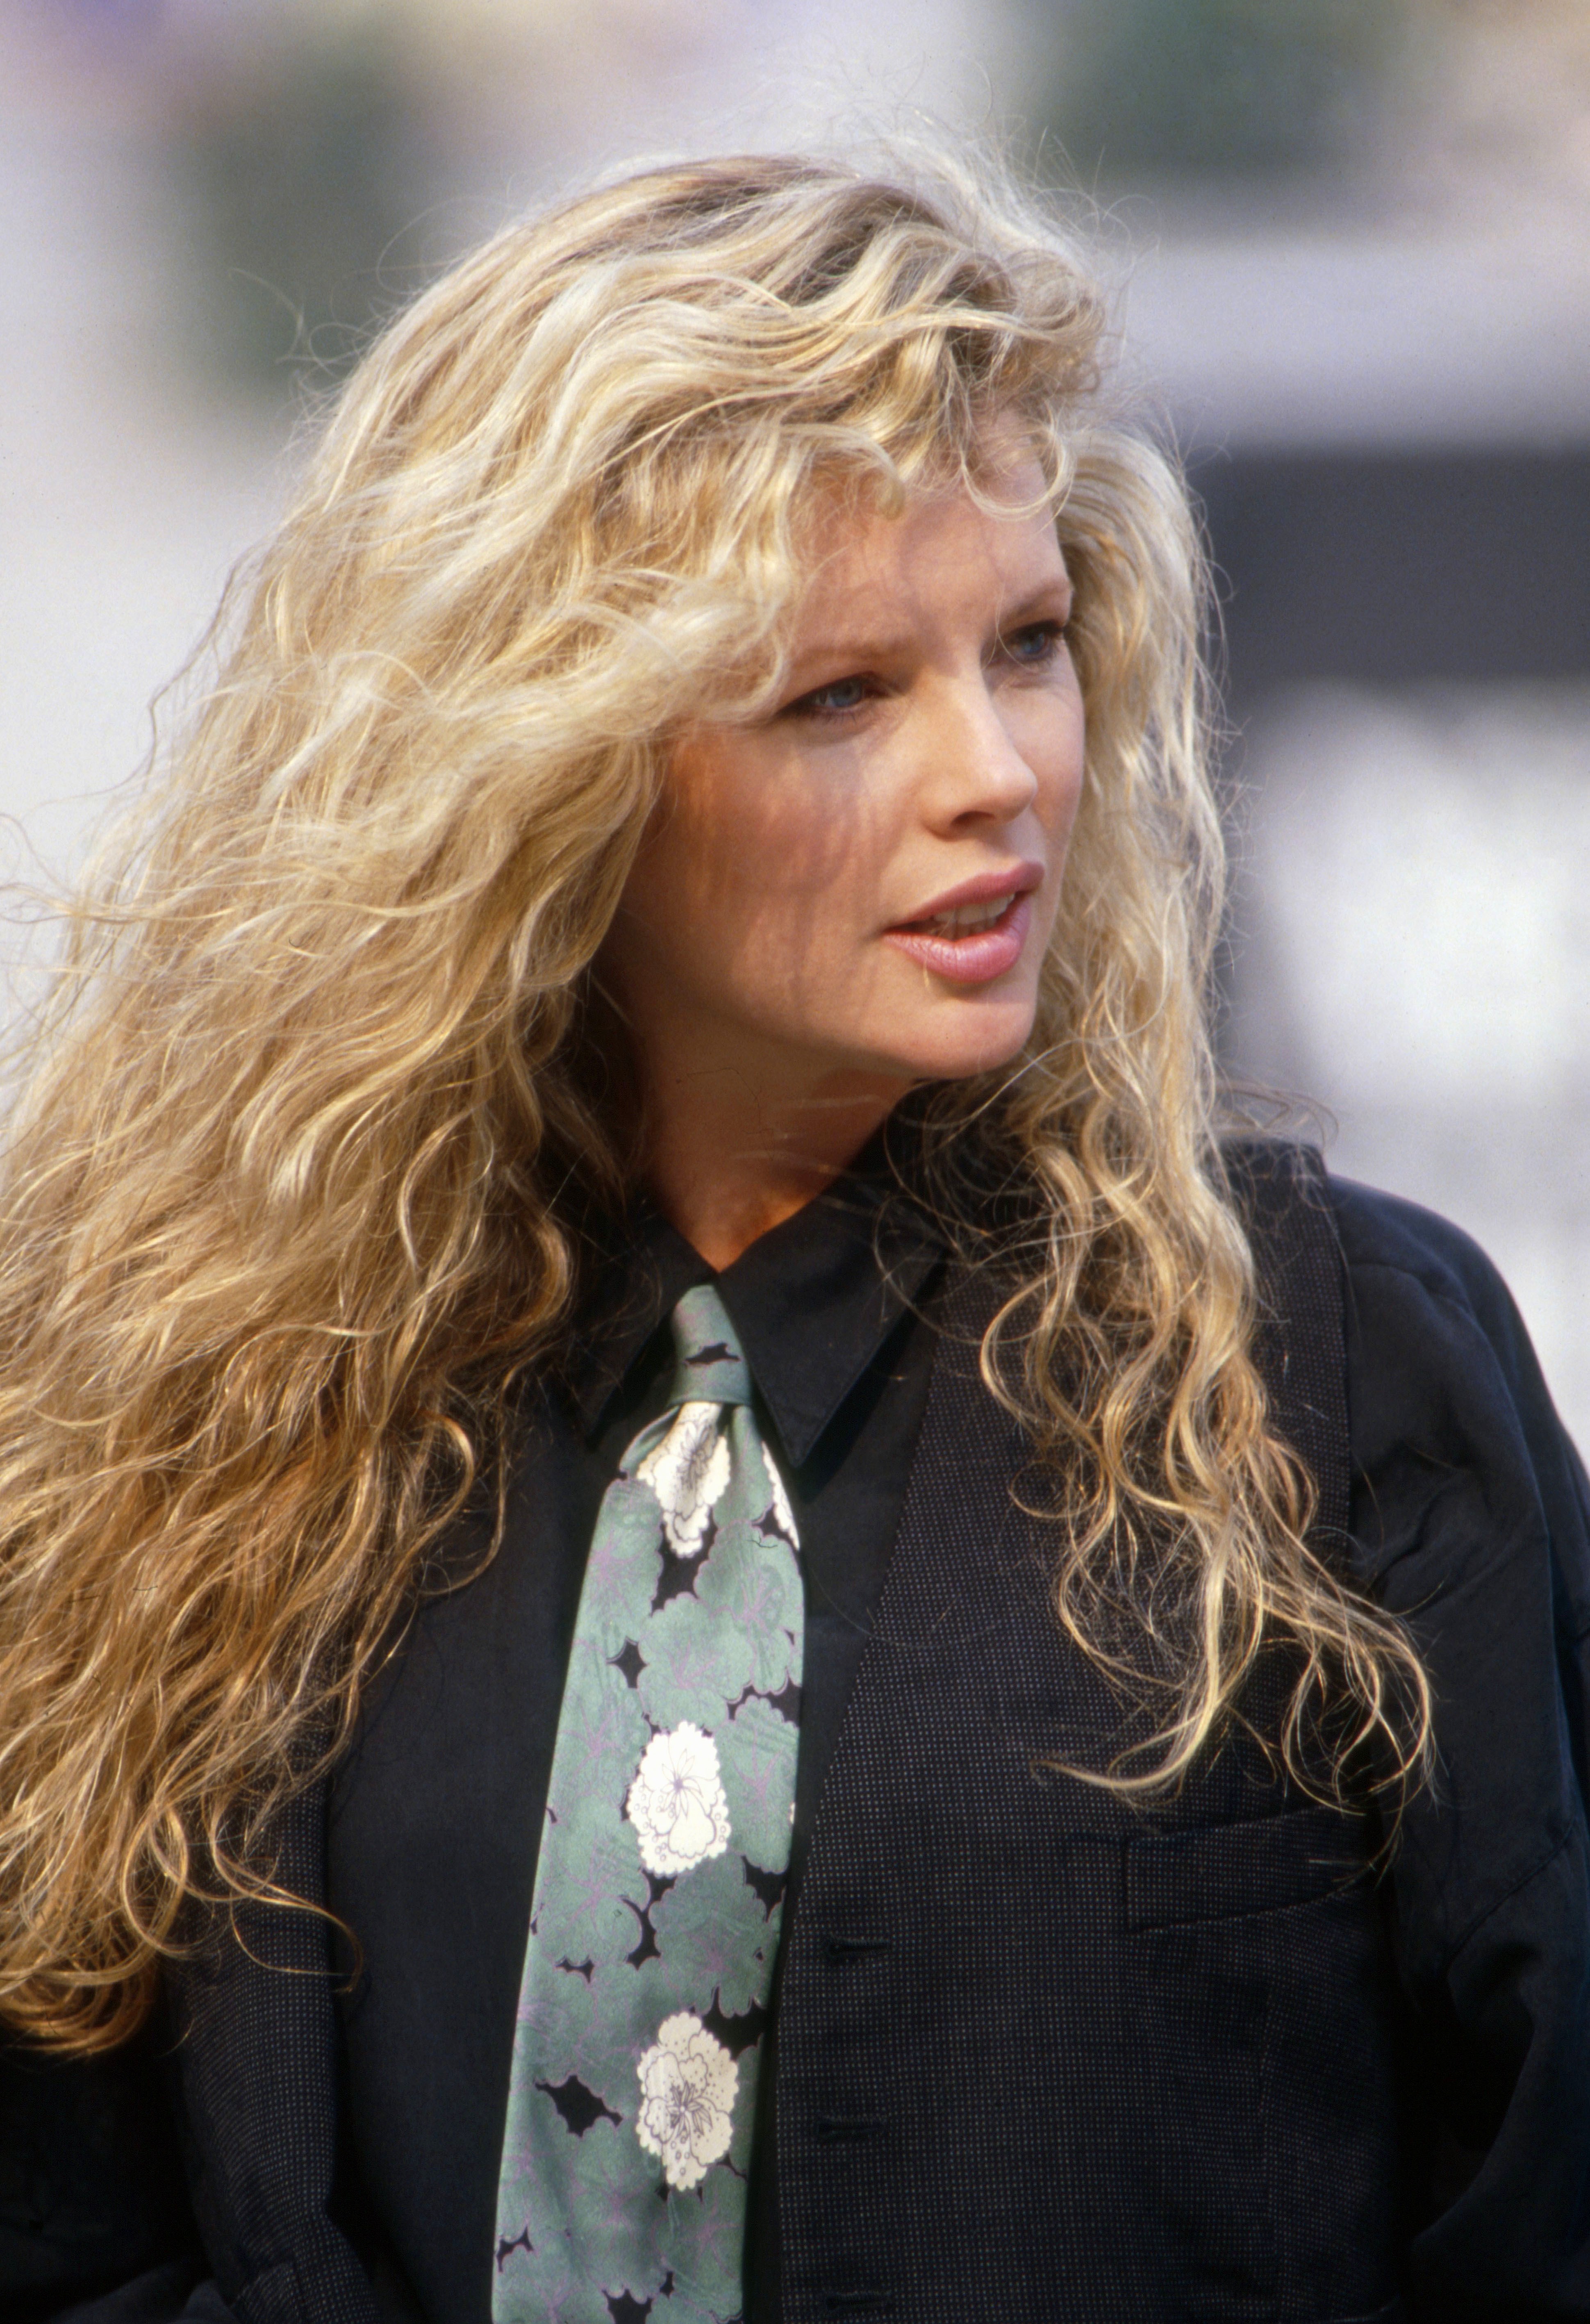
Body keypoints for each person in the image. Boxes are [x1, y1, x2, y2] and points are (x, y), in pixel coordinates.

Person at [1, 146, 1588, 2324]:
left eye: (1024, 645)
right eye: (838, 693)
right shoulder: (184, 1418)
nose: (998, 772)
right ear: (546, 769)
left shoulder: (1330, 1368)